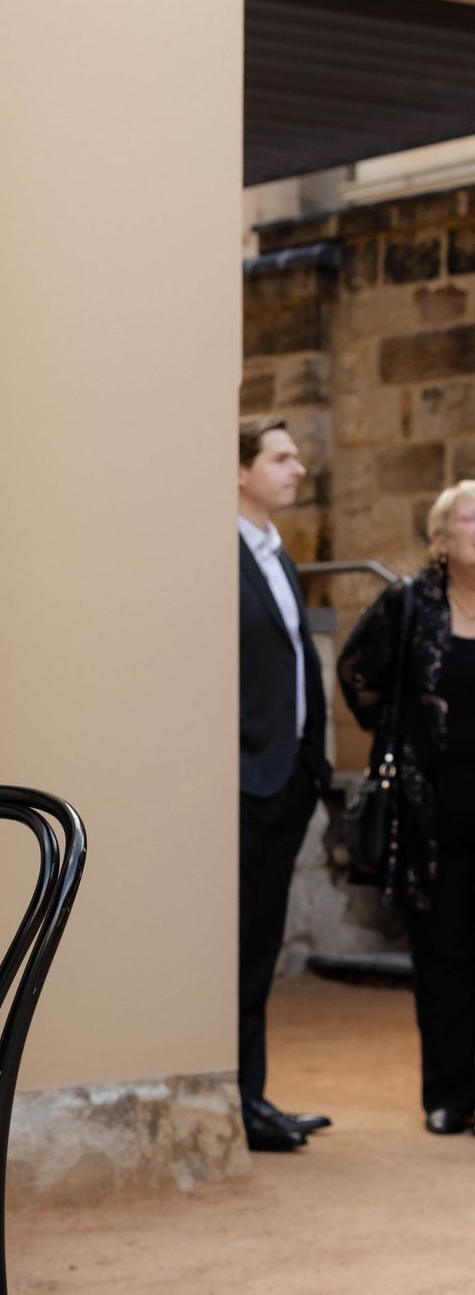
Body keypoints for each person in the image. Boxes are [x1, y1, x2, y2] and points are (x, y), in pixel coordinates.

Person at [338, 477, 475, 1135]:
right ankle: (448, 1093)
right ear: (441, 538)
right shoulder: (411, 603)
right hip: (434, 811)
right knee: (443, 953)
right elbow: (356, 671)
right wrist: (394, 733)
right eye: (473, 518)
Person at [238, 415, 332, 1152]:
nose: (298, 468)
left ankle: (254, 1097)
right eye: (282, 457)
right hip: (248, 782)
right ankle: (240, 1101)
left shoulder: (280, 555)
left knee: (263, 946)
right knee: (240, 949)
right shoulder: (222, 553)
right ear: (241, 470)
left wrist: (312, 765)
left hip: (291, 778)